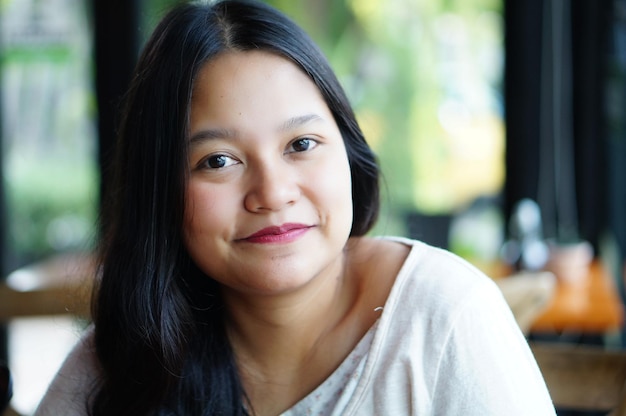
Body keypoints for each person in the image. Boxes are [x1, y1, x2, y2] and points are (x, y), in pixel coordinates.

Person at [34, 0, 556, 415]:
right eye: (218, 160)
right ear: (160, 191)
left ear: (349, 154)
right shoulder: (129, 359)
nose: (273, 192)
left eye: (301, 145)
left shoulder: (443, 319)